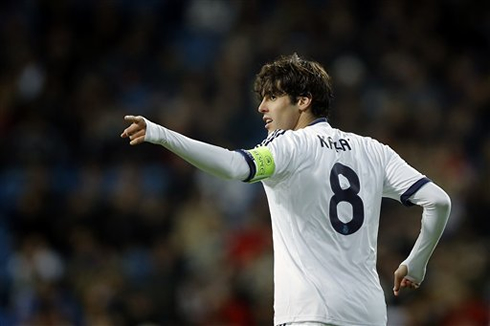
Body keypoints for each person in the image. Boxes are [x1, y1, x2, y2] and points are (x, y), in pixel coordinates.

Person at [121, 53, 451, 326]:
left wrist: (161, 134)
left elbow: (236, 166)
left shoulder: (289, 146)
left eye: (272, 96)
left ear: (304, 101)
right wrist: (417, 262)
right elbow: (438, 201)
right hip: (368, 314)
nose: (262, 107)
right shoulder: (373, 150)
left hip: (311, 313)